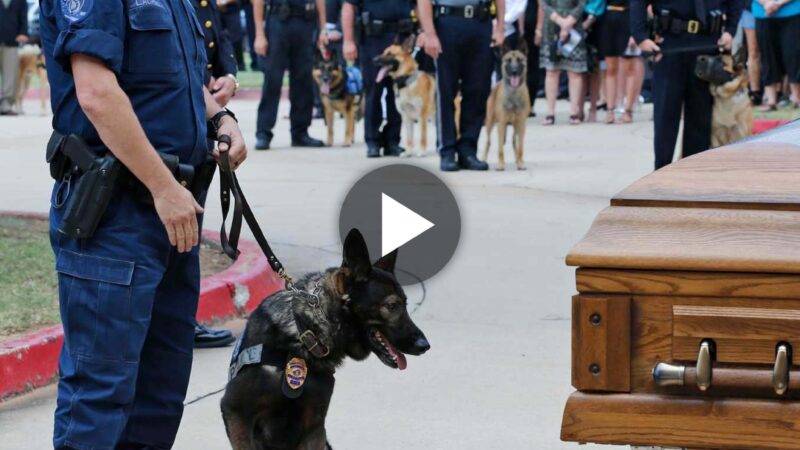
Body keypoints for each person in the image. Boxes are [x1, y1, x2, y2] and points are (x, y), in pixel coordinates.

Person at [39, 0, 248, 448]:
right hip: (116, 215)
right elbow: (95, 91)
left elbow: (184, 78)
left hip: (174, 213)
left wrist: (221, 118)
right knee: (100, 395)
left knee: (159, 392)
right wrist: (162, 186)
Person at [632, 0, 740, 169]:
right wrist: (641, 37)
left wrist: (730, 30)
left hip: (707, 44)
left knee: (700, 119)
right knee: (666, 116)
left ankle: (692, 178)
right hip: (670, 44)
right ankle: (661, 175)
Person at [191, 0, 240, 349]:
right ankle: (178, 319)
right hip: (180, 109)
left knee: (193, 219)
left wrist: (230, 77)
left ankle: (183, 318)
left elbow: (216, 36)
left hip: (203, 111)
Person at [417, 0, 505, 171]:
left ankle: (468, 149)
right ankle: (447, 150)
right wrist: (429, 33)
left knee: (478, 89)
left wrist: (501, 28)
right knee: (446, 90)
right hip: (447, 23)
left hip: (480, 23)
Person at [252, 0, 328, 150]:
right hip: (278, 22)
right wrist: (259, 34)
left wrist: (323, 28)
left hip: (305, 22)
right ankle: (263, 133)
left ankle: (300, 133)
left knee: (304, 80)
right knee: (272, 79)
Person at [342, 0, 413, 157]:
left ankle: (393, 141)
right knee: (374, 91)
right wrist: (348, 41)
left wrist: (423, 32)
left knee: (398, 92)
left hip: (401, 37)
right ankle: (372, 140)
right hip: (372, 38)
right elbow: (348, 7)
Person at [540, 0, 588, 125]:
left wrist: (568, 23)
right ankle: (550, 113)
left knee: (575, 72)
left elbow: (582, 3)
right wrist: (560, 21)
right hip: (551, 27)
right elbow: (543, 4)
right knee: (551, 71)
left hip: (574, 28)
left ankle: (573, 113)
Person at [753, 0, 799, 110]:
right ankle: (771, 100)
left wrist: (778, 3)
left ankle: (797, 98)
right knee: (767, 56)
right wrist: (766, 3)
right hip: (763, 12)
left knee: (793, 55)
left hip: (792, 11)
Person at [0, 0, 27, 116]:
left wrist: (23, 33)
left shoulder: (21, 1)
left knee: (10, 75)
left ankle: (6, 105)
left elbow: (23, 18)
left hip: (12, 42)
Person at [739, 0, 761, 104]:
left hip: (777, 9)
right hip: (749, 9)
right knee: (753, 52)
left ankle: (779, 92)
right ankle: (754, 92)